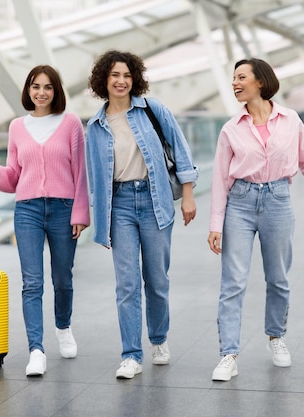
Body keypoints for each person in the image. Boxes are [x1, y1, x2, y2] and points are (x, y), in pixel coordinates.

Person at [207, 58, 304, 381]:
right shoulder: (230, 129)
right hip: (240, 204)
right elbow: (220, 181)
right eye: (233, 78)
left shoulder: (290, 120)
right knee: (232, 283)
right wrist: (215, 225)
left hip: (278, 200)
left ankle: (276, 337)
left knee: (278, 279)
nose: (235, 83)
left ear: (260, 82)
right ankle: (228, 354)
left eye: (241, 77)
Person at [85, 50, 199, 379]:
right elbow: (95, 178)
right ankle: (131, 355)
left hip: (154, 200)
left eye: (127, 76)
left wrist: (188, 195)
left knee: (157, 280)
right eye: (115, 76)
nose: (121, 81)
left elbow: (179, 147)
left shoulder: (151, 109)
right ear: (103, 81)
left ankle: (159, 339)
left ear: (134, 79)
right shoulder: (95, 125)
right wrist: (101, 224)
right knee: (127, 284)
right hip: (119, 205)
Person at [0, 65, 90, 377]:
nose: (41, 92)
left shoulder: (70, 124)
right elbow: (14, 174)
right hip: (26, 209)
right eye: (35, 86)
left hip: (63, 208)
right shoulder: (16, 127)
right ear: (28, 90)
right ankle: (36, 349)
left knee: (63, 278)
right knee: (32, 282)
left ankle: (63, 327)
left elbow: (81, 172)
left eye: (48, 87)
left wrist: (81, 213)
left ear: (57, 91)